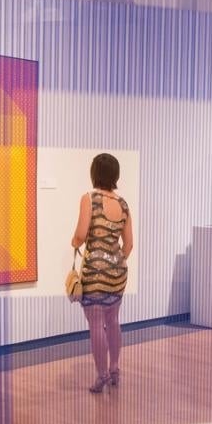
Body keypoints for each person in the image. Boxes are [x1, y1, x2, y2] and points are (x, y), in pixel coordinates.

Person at [71, 153, 134, 393]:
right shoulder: (124, 205)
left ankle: (101, 375)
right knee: (113, 320)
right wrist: (114, 262)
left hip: (95, 274)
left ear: (94, 173)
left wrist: (74, 242)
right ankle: (115, 368)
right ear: (115, 175)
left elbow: (80, 234)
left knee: (96, 324)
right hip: (118, 273)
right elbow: (128, 245)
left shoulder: (89, 199)